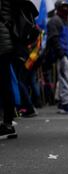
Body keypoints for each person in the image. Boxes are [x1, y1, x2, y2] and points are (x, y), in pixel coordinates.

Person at [46, 0, 68, 114]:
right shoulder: (55, 21)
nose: (67, 9)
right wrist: (61, 54)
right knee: (65, 80)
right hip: (62, 55)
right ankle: (65, 104)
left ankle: (62, 103)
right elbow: (54, 39)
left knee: (64, 79)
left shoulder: (65, 21)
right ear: (59, 7)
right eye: (64, 7)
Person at [0, 0, 18, 139]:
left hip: (2, 41)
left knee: (5, 84)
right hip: (6, 41)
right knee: (5, 83)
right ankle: (7, 122)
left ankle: (7, 124)